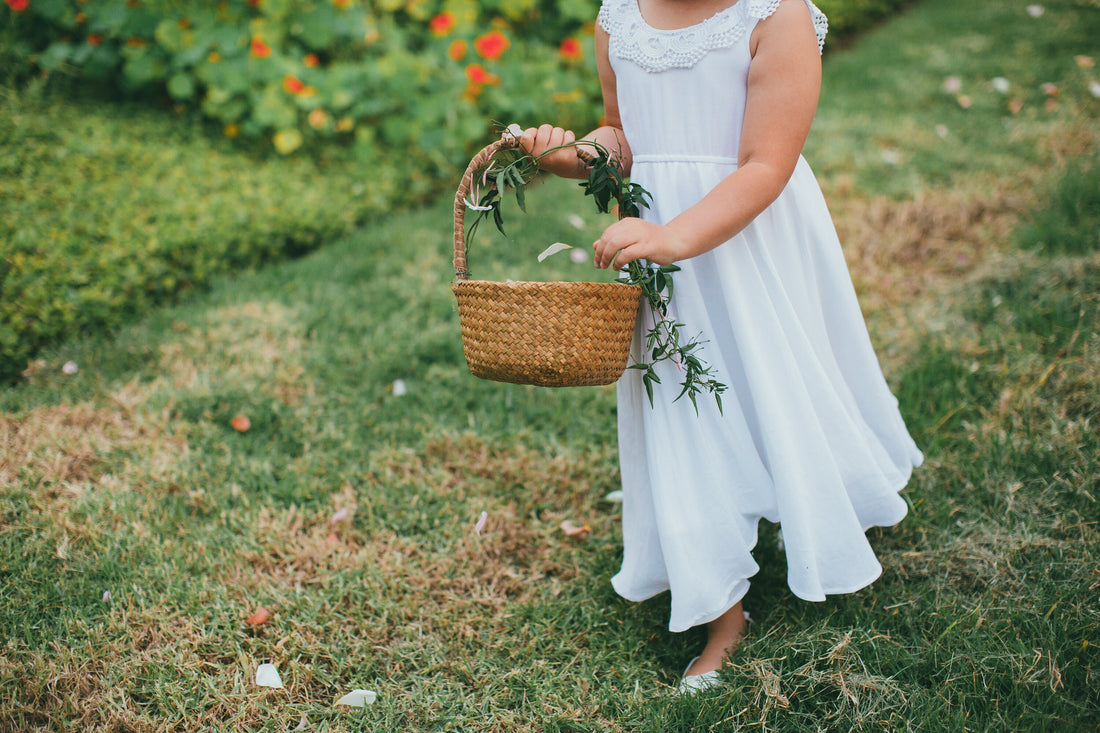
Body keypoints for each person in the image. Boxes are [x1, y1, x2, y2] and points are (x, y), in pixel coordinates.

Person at [521, 0, 923, 693]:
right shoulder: (620, 18)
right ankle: (721, 611)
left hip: (750, 244)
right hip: (659, 257)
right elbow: (623, 135)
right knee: (685, 410)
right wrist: (573, 156)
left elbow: (766, 164)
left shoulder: (775, 15)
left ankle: (819, 495)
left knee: (777, 382)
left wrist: (675, 236)